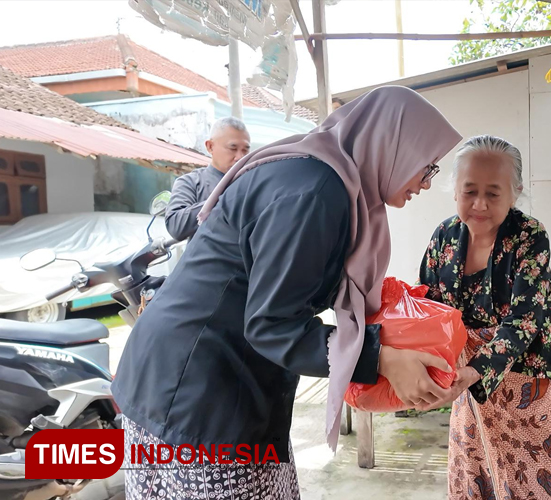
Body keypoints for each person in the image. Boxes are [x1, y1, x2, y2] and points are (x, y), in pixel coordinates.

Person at [111, 86, 463, 500]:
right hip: (195, 389)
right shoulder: (315, 191)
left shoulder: (334, 185)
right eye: (428, 166)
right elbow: (272, 324)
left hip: (223, 377)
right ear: (393, 143)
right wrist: (381, 359)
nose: (426, 182)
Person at [417, 135, 551, 500]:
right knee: (474, 476)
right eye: (469, 191)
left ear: (515, 193)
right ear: (454, 191)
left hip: (535, 383)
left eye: (493, 193)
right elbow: (430, 308)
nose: (479, 204)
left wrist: (470, 372)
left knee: (537, 482)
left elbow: (524, 321)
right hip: (472, 384)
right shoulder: (444, 238)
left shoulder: (530, 236)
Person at [164, 116, 251, 242]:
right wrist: (226, 200)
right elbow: (176, 226)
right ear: (210, 147)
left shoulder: (254, 183)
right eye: (233, 149)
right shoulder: (191, 182)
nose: (240, 157)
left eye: (245, 150)